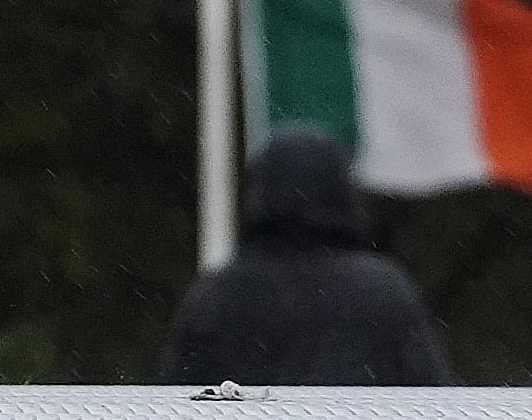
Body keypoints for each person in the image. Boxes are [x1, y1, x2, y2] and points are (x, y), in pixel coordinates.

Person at [159, 128, 453, 387]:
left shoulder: (217, 294)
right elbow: (432, 397)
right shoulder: (384, 290)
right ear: (344, 192)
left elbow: (176, 399)